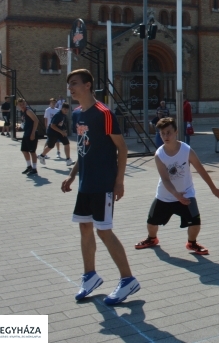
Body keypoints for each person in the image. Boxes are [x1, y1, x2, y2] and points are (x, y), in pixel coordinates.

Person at [61, 69, 139, 305]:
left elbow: (122, 148)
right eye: (69, 85)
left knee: (103, 230)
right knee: (84, 228)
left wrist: (119, 181)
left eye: (74, 83)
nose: (70, 88)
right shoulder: (76, 115)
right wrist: (72, 175)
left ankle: (128, 280)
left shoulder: (104, 113)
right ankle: (90, 276)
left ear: (88, 85)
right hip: (85, 183)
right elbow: (83, 150)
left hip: (103, 182)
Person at [134, 117, 219, 255]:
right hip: (165, 195)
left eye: (169, 132)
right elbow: (165, 179)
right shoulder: (159, 155)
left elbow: (201, 169)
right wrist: (176, 195)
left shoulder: (186, 150)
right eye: (162, 133)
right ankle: (151, 239)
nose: (166, 136)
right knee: (152, 223)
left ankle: (192, 243)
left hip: (186, 193)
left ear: (176, 132)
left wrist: (213, 188)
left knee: (195, 223)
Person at [18, 98, 40, 176]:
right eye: (20, 105)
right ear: (18, 106)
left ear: (25, 104)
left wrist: (33, 133)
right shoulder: (22, 112)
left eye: (23, 104)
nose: (22, 106)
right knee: (24, 150)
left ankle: (34, 169)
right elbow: (25, 122)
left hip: (31, 133)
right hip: (26, 133)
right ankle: (29, 166)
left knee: (32, 151)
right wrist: (20, 127)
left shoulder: (28, 111)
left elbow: (36, 120)